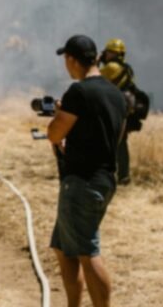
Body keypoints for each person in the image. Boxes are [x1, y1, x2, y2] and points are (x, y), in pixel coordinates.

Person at [48, 34, 127, 307]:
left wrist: (59, 118)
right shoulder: (116, 94)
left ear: (71, 59)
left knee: (87, 252)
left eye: (65, 60)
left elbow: (54, 133)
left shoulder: (78, 92)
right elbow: (115, 136)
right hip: (104, 179)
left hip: (81, 182)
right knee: (62, 248)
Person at [99, 38, 135, 185]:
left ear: (112, 53)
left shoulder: (111, 67)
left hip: (110, 109)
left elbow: (91, 77)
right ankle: (124, 175)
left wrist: (97, 62)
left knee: (106, 141)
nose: (105, 55)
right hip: (122, 109)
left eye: (107, 52)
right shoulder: (127, 68)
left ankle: (105, 173)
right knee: (121, 143)